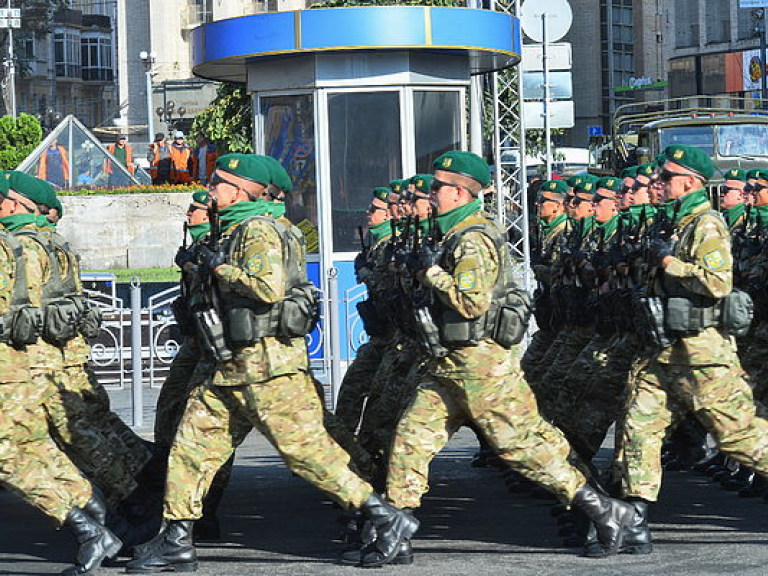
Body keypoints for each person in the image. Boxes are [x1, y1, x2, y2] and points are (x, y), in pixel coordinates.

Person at [127, 154, 418, 573]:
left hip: (267, 368)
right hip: (229, 366)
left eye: (219, 183)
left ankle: (385, 516)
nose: (211, 191)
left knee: (309, 454)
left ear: (243, 190)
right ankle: (177, 539)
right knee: (190, 448)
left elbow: (266, 288)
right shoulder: (235, 228)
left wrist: (218, 266)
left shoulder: (258, 230)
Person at [350, 151, 634, 565]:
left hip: (480, 365)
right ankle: (395, 531)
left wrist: (430, 273)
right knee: (410, 440)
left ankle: (603, 509)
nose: (431, 194)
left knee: (523, 450)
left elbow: (471, 302)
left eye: (437, 188)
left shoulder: (473, 237)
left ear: (460, 193)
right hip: (449, 362)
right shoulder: (452, 234)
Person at [619, 144, 768, 553]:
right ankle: (635, 517)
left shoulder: (706, 223)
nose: (660, 184)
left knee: (738, 437)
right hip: (665, 348)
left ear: (690, 182)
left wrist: (671, 265)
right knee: (639, 426)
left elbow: (717, 283)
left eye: (667, 177)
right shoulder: (675, 223)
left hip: (703, 352)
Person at [0, 173, 122, 575]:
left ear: (16, 205)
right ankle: (93, 512)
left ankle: (89, 525)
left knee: (11, 456)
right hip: (25, 366)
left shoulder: (14, 246)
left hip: (13, 367)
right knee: (36, 448)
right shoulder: (30, 244)